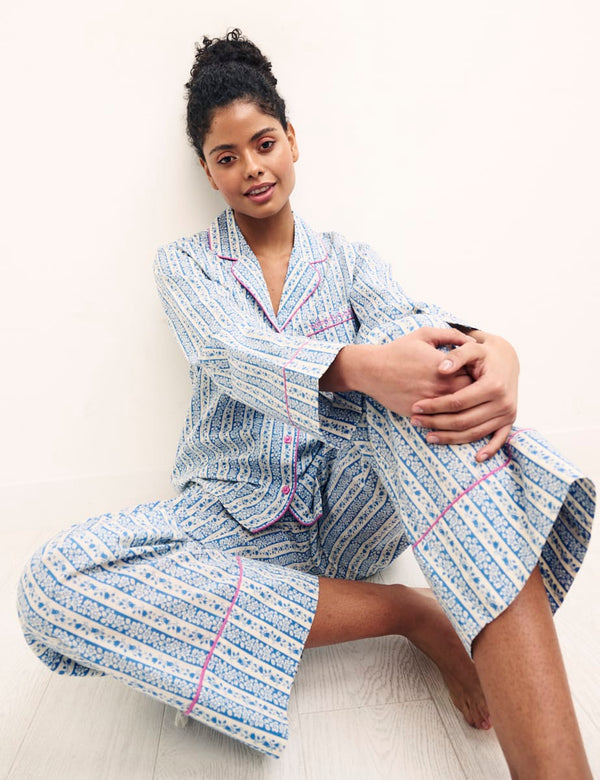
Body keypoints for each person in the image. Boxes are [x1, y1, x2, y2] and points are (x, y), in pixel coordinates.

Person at [18, 29, 595, 778]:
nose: (252, 167)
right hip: (233, 518)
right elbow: (227, 351)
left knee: (414, 353)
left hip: (351, 509)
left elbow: (420, 330)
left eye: (264, 144)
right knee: (50, 586)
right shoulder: (186, 265)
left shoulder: (349, 261)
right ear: (208, 171)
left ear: (291, 140)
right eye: (228, 157)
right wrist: (361, 368)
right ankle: (409, 612)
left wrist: (498, 350)